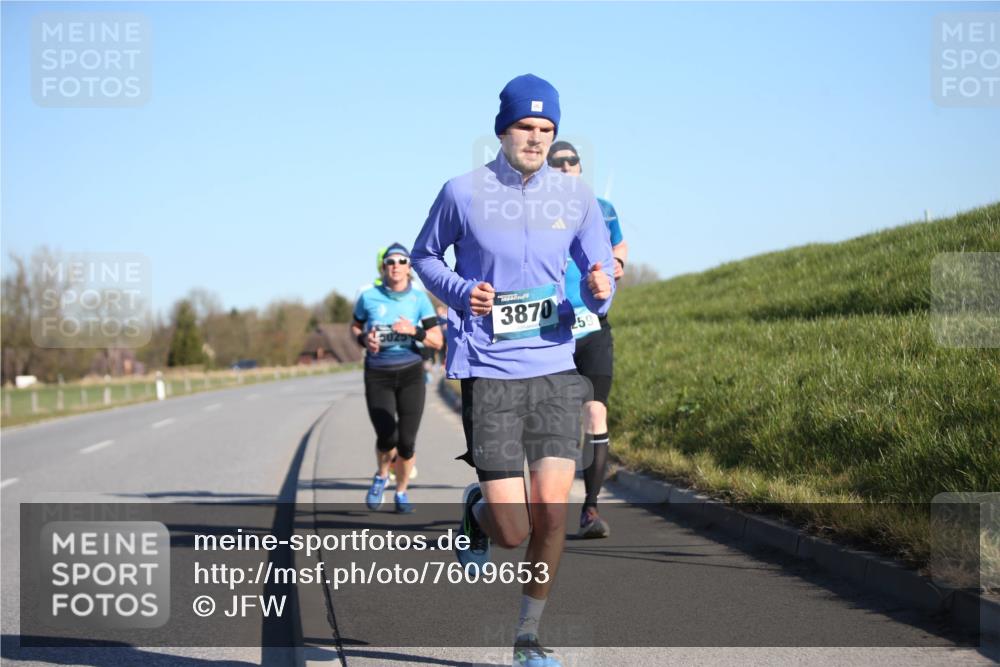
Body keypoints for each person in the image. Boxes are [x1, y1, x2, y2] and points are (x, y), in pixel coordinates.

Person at [411, 74, 615, 667]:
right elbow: (425, 254)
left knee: (551, 512)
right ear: (502, 130)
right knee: (511, 530)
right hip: (492, 370)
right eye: (525, 127)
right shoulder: (462, 193)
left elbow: (598, 276)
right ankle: (478, 513)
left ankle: (527, 636)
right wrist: (458, 290)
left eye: (546, 129)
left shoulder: (576, 197)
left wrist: (600, 289)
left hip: (554, 366)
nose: (536, 137)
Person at [547, 140, 628, 538]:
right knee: (555, 424)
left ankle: (591, 510)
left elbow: (619, 244)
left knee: (596, 414)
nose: (564, 168)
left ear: (580, 168)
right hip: (551, 332)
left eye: (571, 162)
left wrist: (619, 263)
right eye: (555, 163)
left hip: (593, 327)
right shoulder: (532, 210)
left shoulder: (601, 208)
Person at [351, 243, 442, 514]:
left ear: (409, 268)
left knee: (407, 442)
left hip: (411, 373)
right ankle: (381, 475)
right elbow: (355, 325)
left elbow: (436, 340)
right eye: (390, 261)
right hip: (378, 373)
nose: (396, 266)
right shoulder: (368, 297)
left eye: (402, 261)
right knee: (387, 436)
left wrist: (413, 331)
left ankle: (401, 492)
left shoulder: (419, 299)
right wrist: (363, 338)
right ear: (383, 267)